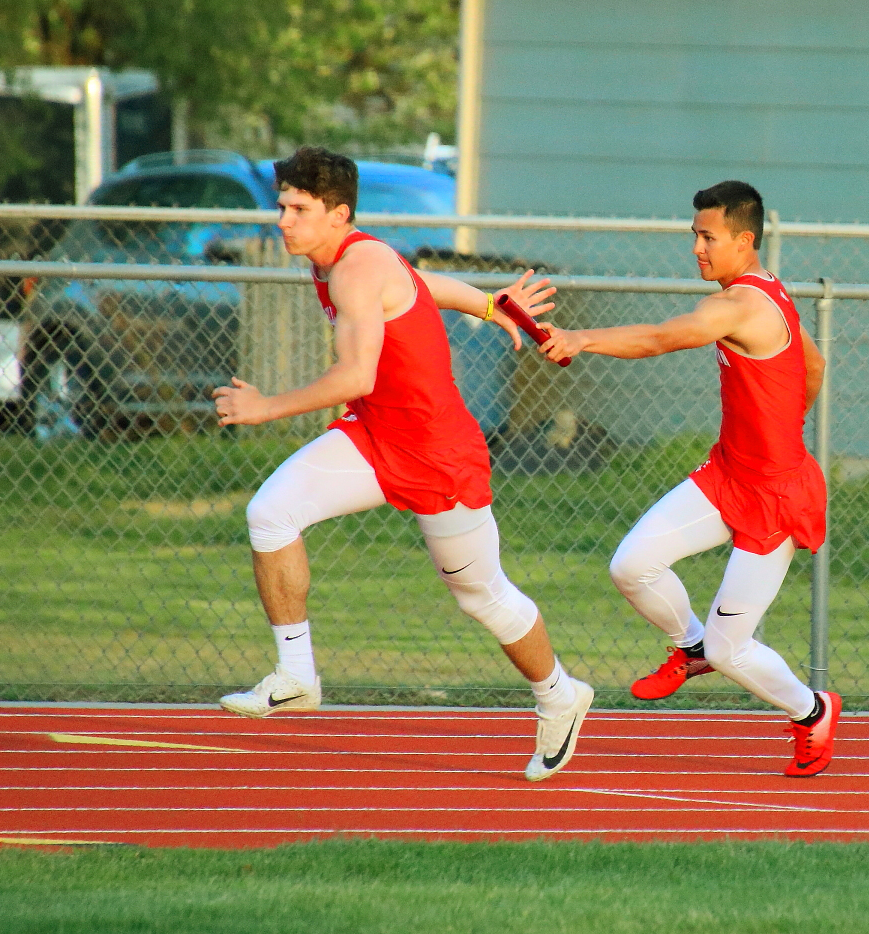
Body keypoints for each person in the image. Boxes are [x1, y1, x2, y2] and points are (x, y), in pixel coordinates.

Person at [213, 146, 592, 782]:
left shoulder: (354, 270)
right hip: (374, 437)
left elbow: (355, 372)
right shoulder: (349, 256)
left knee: (481, 595)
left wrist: (265, 407)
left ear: (339, 214)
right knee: (270, 513)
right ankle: (296, 674)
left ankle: (560, 693)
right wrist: (491, 305)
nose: (283, 219)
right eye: (281, 206)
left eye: (298, 209)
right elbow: (421, 285)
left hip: (437, 455)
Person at [537, 180, 840, 777]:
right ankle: (691, 647)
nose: (697, 248)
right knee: (631, 566)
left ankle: (812, 712)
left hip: (775, 497)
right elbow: (813, 364)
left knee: (735, 653)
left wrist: (581, 339)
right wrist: (779, 421)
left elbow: (659, 338)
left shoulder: (741, 305)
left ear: (744, 241)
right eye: (694, 236)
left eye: (708, 237)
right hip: (729, 473)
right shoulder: (768, 292)